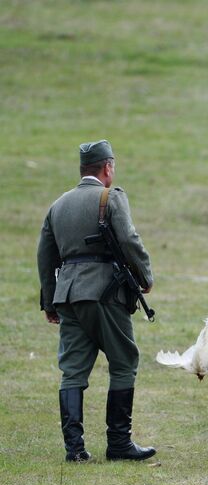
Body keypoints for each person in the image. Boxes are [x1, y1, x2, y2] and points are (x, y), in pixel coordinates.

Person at [37, 140, 156, 462]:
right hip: (104, 294)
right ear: (107, 168)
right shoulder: (110, 197)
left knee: (73, 370)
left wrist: (50, 302)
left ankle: (74, 450)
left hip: (68, 297)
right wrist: (146, 276)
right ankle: (119, 444)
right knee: (124, 361)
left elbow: (45, 257)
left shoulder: (58, 205)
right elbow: (130, 240)